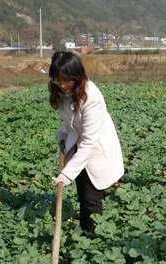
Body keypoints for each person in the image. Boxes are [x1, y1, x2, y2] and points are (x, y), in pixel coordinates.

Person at [50, 51, 124, 233]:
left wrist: (66, 175)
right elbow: (70, 121)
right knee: (83, 194)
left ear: (78, 77)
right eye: (58, 80)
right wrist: (64, 133)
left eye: (67, 80)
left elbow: (89, 142)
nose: (62, 84)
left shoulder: (92, 97)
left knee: (91, 198)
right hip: (78, 145)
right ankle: (86, 232)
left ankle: (95, 240)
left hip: (96, 148)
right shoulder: (61, 92)